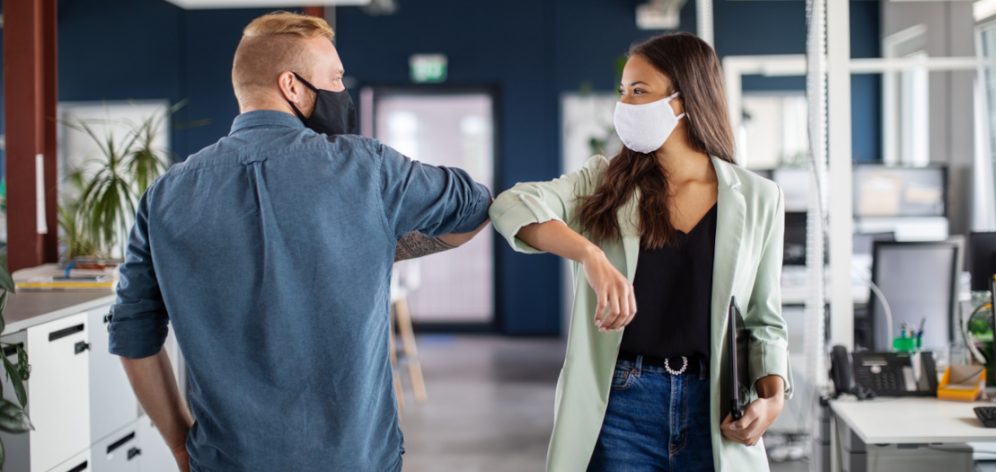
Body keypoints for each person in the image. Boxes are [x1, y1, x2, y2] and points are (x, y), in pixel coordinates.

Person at [107, 11, 491, 472]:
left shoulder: (164, 196)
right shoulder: (367, 168)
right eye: (333, 79)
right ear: (291, 86)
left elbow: (133, 336)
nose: (340, 93)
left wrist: (179, 444)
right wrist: (391, 246)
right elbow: (475, 205)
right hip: (355, 460)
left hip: (226, 461)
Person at [489, 32, 791, 471]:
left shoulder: (759, 198)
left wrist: (774, 396)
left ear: (684, 100)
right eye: (623, 92)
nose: (624, 105)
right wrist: (590, 255)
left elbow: (765, 320)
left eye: (639, 92)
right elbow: (508, 206)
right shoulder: (602, 182)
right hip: (621, 408)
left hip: (715, 408)